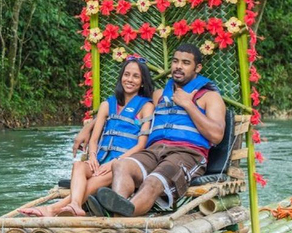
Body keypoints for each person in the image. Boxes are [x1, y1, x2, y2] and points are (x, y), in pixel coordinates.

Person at [88, 43, 226, 217]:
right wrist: (88, 128)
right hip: (154, 151)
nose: (178, 66)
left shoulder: (209, 97)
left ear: (197, 68)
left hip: (187, 154)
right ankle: (119, 214)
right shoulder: (159, 95)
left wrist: (188, 104)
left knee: (153, 182)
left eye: (185, 63)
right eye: (175, 61)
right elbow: (124, 109)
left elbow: (217, 135)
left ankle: (115, 216)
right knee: (121, 165)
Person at [19, 55, 154, 216]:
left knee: (95, 180)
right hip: (101, 160)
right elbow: (94, 139)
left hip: (121, 166)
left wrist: (115, 163)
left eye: (136, 76)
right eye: (126, 74)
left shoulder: (146, 106)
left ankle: (52, 209)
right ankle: (75, 204)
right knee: (78, 166)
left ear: (143, 81)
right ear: (121, 77)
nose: (129, 79)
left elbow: (141, 145)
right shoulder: (107, 105)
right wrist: (92, 159)